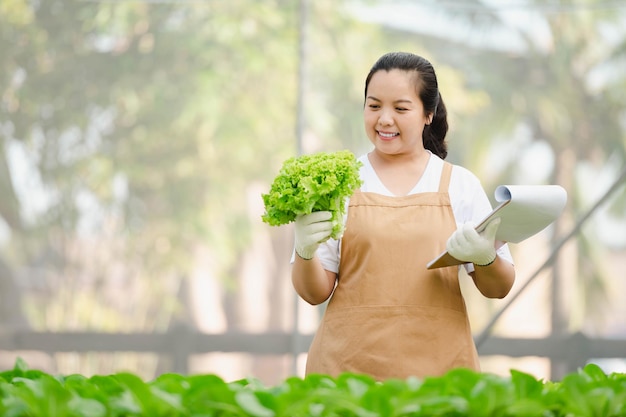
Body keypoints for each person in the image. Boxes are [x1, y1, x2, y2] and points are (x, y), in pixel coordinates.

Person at [291, 51, 515, 381]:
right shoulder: (339, 183)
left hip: (438, 374)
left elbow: (499, 287)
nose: (384, 119)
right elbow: (314, 293)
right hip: (346, 374)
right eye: (374, 105)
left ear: (428, 114)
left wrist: (485, 259)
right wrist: (304, 251)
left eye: (400, 108)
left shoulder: (459, 184)